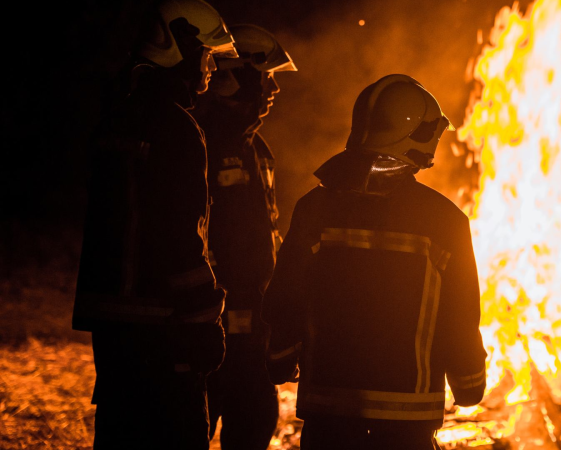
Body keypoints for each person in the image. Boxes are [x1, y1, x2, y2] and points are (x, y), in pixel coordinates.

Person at [263, 74, 488, 450]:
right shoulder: (445, 221)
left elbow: (285, 296)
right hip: (407, 422)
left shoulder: (315, 208)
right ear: (415, 135)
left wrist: (279, 359)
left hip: (327, 413)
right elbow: (461, 318)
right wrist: (469, 384)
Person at [71, 1, 237, 448]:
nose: (211, 68)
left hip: (112, 329)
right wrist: (205, 319)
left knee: (122, 431)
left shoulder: (118, 114)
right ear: (179, 46)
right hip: (163, 328)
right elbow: (181, 237)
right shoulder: (176, 128)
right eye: (208, 55)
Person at [191, 24, 297, 450]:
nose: (272, 89)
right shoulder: (199, 141)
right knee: (199, 418)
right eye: (264, 77)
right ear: (233, 76)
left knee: (255, 417)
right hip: (211, 317)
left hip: (252, 318)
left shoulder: (256, 148)